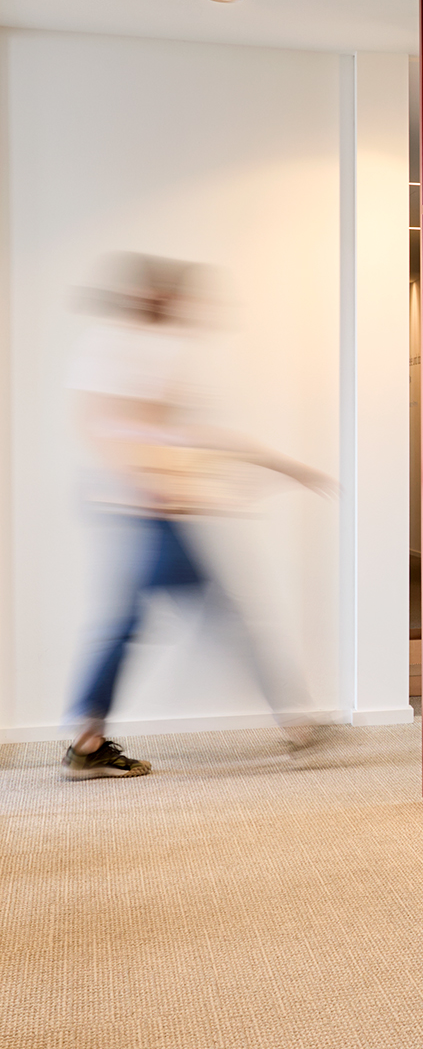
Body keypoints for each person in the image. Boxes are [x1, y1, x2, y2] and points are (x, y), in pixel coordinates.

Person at [62, 254, 334, 779]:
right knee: (199, 619)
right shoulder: (119, 350)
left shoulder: (143, 351)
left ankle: (87, 740)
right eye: (181, 300)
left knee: (152, 621)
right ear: (156, 299)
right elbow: (104, 427)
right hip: (154, 515)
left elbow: (187, 436)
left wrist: (280, 466)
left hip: (157, 513)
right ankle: (296, 722)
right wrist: (156, 487)